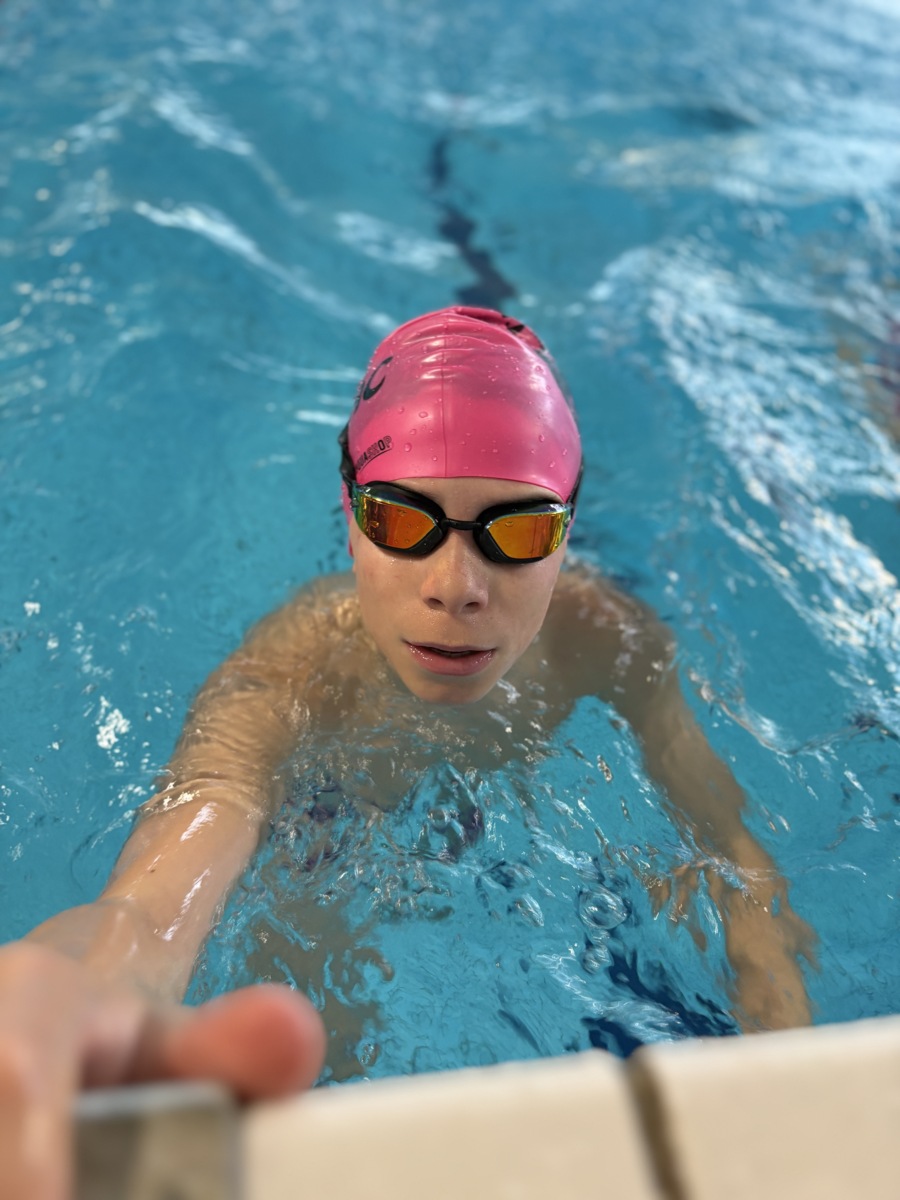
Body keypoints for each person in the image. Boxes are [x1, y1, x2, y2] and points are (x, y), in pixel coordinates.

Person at [0, 306, 815, 1199]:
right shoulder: (289, 677)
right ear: (349, 517)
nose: (455, 588)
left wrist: (778, 1031)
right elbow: (153, 908)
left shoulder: (610, 642)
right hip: (338, 821)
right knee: (311, 1028)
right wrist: (83, 994)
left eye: (519, 529)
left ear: (568, 533)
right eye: (399, 519)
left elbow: (735, 855)